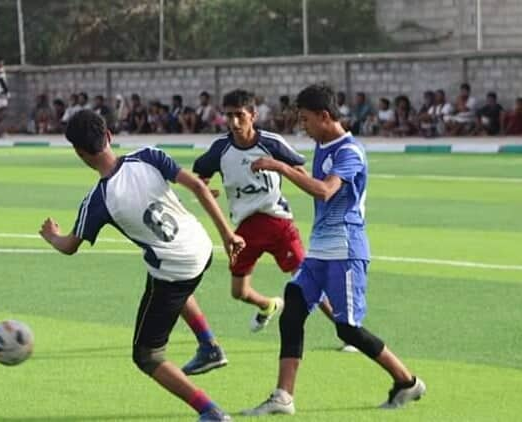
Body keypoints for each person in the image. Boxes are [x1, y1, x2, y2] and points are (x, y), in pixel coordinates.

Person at [39, 109, 244, 422]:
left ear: (80, 153)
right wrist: (228, 235)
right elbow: (200, 188)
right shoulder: (149, 155)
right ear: (109, 136)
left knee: (147, 355)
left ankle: (210, 411)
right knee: (166, 278)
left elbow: (69, 247)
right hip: (202, 247)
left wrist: (52, 236)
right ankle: (209, 346)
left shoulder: (97, 200)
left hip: (175, 268)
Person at [243, 84, 425, 416]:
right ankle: (283, 397)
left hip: (346, 250)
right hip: (320, 252)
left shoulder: (349, 152)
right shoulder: (323, 146)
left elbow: (326, 191)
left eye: (306, 119)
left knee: (347, 328)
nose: (303, 126)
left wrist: (281, 168)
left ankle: (407, 381)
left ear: (325, 116)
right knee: (294, 306)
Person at [191, 89, 306, 334]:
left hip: (278, 224)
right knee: (239, 292)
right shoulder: (220, 149)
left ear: (252, 115)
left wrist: (288, 172)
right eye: (228, 116)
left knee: (307, 281)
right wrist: (205, 189)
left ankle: (346, 328)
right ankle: (268, 305)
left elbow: (300, 171)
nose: (233, 122)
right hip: (244, 230)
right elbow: (200, 176)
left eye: (239, 115)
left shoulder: (271, 143)